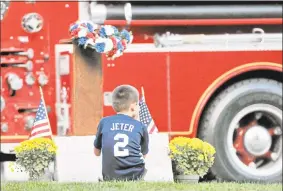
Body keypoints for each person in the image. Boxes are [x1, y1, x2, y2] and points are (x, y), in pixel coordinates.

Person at [93, 85, 149, 181]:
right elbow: (143, 155)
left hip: (110, 176)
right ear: (133, 107)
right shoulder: (140, 126)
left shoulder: (104, 122)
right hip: (136, 176)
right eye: (138, 105)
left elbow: (96, 152)